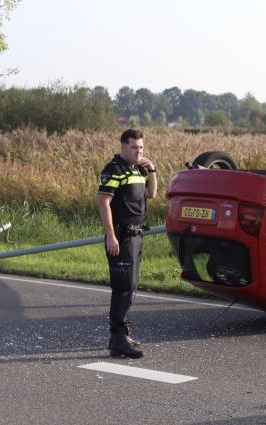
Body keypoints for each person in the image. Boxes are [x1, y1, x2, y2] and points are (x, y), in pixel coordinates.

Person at [97, 129, 158, 358]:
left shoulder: (139, 169)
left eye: (141, 147)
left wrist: (151, 169)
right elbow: (103, 202)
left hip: (137, 235)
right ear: (123, 147)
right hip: (121, 237)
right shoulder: (114, 169)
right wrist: (110, 235)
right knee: (122, 288)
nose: (139, 151)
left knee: (130, 287)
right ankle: (118, 338)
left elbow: (151, 194)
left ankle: (121, 336)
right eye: (134, 147)